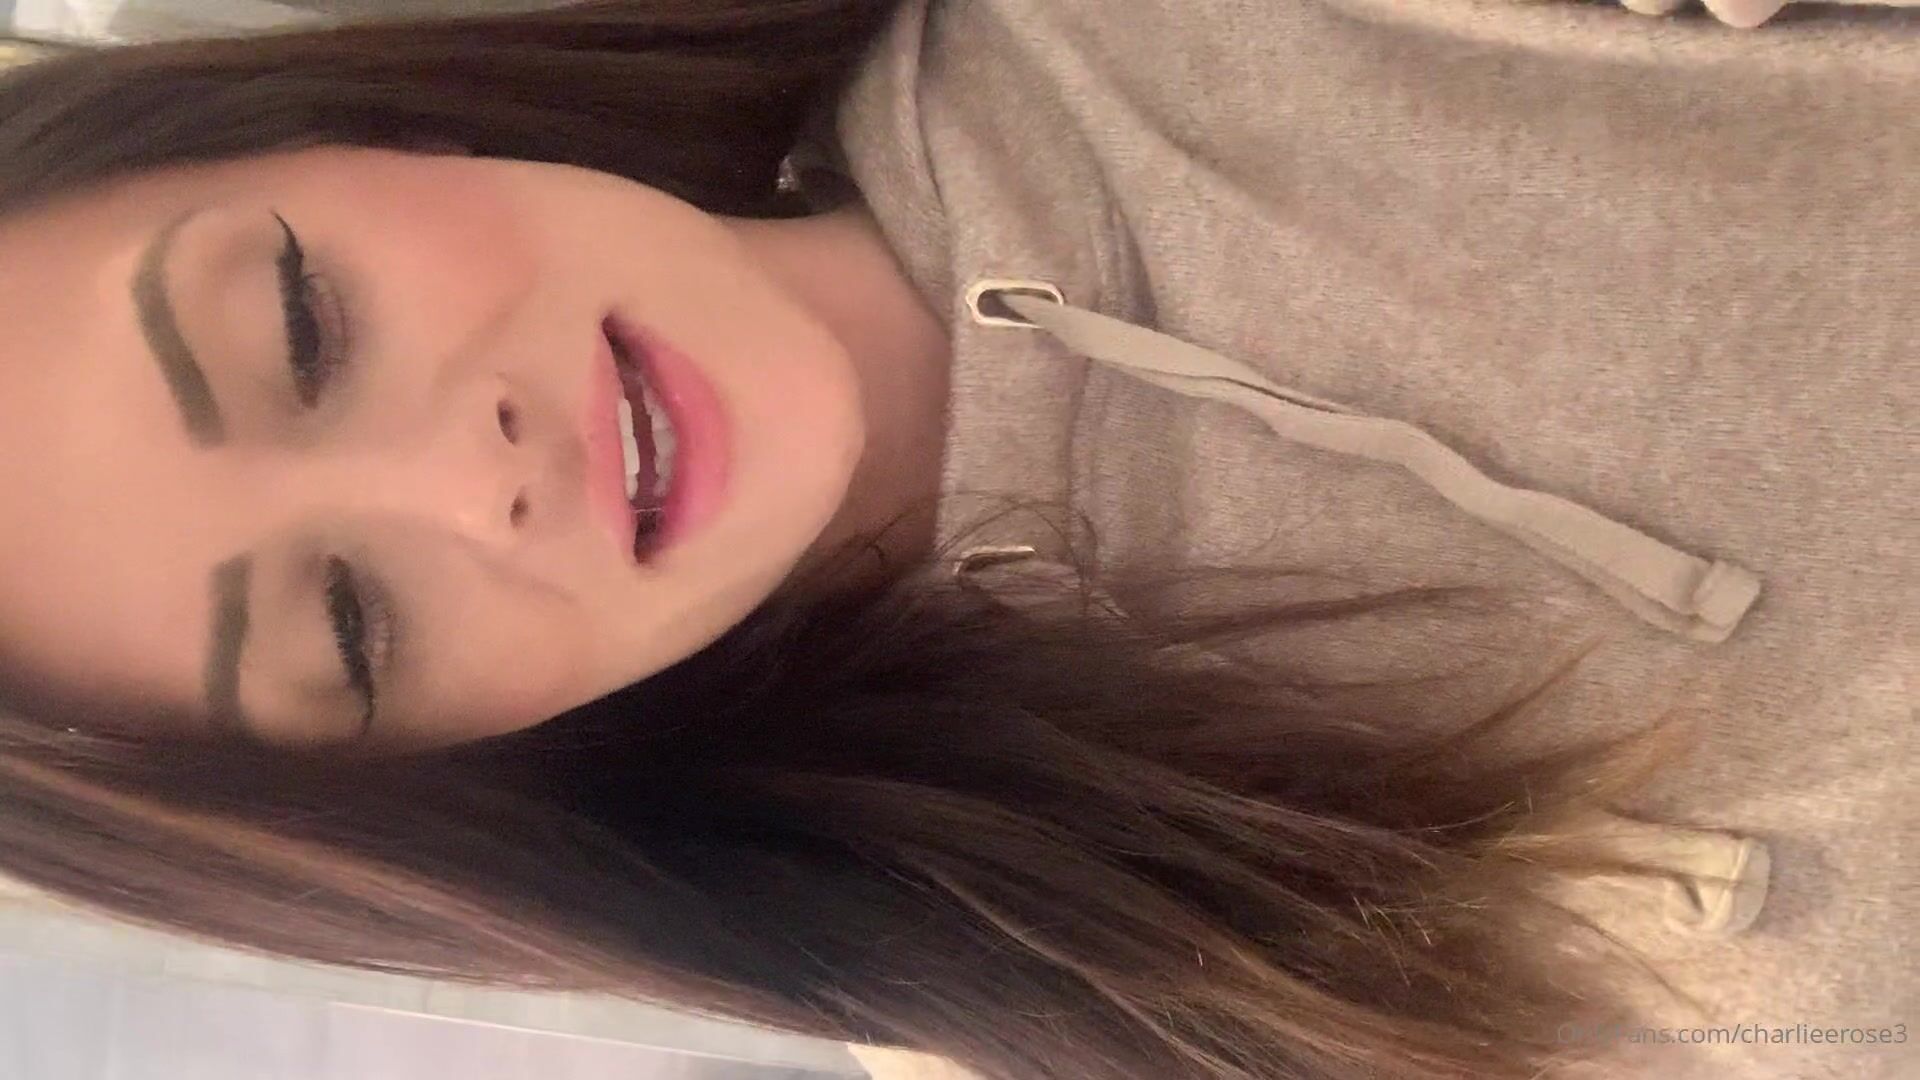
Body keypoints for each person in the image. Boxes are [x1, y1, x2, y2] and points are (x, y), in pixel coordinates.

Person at [0, 2, 1911, 1078]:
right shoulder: (1087, 1007)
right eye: (347, 626)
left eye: (300, 329)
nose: (461, 482)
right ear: (437, 768)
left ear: (347, 126)